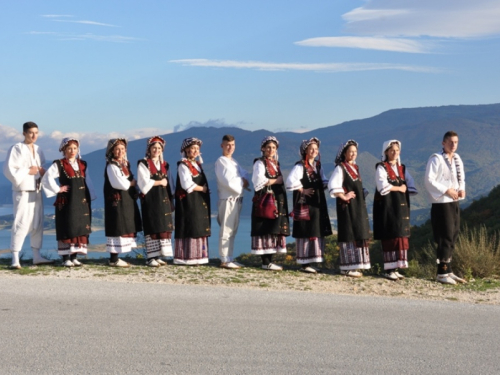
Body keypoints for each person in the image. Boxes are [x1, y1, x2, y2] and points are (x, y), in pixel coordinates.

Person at [3, 121, 54, 269]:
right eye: (31, 132)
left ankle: (36, 256)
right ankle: (15, 257)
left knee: (37, 223)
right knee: (21, 222)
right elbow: (8, 169)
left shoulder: (38, 150)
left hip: (37, 190)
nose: (34, 135)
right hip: (22, 191)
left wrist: (42, 171)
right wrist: (27, 171)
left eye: (36, 133)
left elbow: (41, 168)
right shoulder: (16, 148)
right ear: (24, 133)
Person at [42, 138, 97, 267]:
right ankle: (65, 257)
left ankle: (74, 257)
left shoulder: (83, 164)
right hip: (67, 201)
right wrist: (57, 189)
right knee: (67, 226)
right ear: (64, 150)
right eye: (69, 148)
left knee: (79, 227)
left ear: (78, 150)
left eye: (75, 148)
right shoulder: (59, 164)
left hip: (81, 200)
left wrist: (91, 196)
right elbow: (47, 177)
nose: (72, 151)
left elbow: (87, 181)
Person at [425, 131, 467, 285]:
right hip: (441, 202)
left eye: (456, 142)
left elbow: (461, 177)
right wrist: (446, 190)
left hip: (454, 201)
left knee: (454, 234)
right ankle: (441, 272)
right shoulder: (435, 159)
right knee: (445, 235)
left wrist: (461, 189)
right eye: (450, 142)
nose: (453, 145)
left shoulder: (457, 158)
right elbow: (429, 181)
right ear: (443, 143)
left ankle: (448, 269)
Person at [286, 137, 332, 273]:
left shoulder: (318, 166)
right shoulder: (300, 166)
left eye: (316, 149)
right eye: (311, 148)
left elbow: (323, 180)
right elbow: (290, 181)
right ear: (305, 150)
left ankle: (311, 261)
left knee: (315, 229)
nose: (314, 151)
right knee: (306, 230)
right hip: (305, 204)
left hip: (316, 203)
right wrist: (302, 189)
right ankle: (304, 263)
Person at [373, 140, 417, 280]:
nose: (394, 153)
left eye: (397, 150)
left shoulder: (402, 169)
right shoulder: (381, 167)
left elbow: (410, 183)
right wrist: (399, 188)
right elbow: (382, 186)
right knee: (390, 235)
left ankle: (396, 268)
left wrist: (404, 188)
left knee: (399, 235)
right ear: (385, 152)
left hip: (400, 207)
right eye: (391, 150)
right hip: (388, 207)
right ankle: (389, 269)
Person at [328, 140, 370, 277]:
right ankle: (347, 266)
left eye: (355, 152)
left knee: (358, 230)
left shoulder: (355, 168)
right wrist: (343, 196)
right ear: (344, 153)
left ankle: (355, 265)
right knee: (349, 232)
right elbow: (332, 184)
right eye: (350, 151)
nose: (353, 154)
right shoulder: (340, 168)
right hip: (347, 207)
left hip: (357, 207)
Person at [251, 136, 290, 271]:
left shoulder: (275, 163)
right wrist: (276, 181)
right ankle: (266, 262)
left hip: (276, 201)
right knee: (266, 227)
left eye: (273, 147)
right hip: (266, 201)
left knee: (273, 228)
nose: (271, 150)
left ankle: (269, 261)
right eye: (268, 147)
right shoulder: (259, 163)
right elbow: (258, 181)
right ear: (263, 148)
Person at [137, 136, 175, 267]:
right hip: (151, 199)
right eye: (154, 147)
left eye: (159, 148)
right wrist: (159, 182)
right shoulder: (143, 163)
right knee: (152, 225)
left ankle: (158, 255)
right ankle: (150, 257)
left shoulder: (165, 165)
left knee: (162, 225)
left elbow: (170, 183)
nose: (156, 150)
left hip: (163, 198)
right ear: (149, 148)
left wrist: (171, 199)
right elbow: (143, 184)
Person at [104, 138, 142, 267]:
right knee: (117, 226)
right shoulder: (111, 166)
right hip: (117, 201)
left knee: (125, 225)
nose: (120, 151)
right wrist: (132, 183)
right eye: (117, 149)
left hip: (126, 201)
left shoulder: (124, 165)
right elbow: (121, 184)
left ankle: (115, 258)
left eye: (122, 149)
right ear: (112, 151)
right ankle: (113, 259)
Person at [214, 134, 250, 269]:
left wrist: (241, 179)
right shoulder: (221, 161)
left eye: (233, 145)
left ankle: (229, 257)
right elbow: (228, 181)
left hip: (237, 199)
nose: (230, 147)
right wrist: (241, 180)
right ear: (222, 146)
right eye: (227, 145)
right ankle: (224, 258)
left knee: (232, 230)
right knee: (226, 230)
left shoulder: (234, 162)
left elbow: (245, 174)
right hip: (227, 199)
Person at [174, 138, 211, 265]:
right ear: (185, 150)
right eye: (192, 148)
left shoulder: (197, 165)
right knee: (191, 225)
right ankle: (187, 257)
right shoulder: (183, 165)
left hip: (198, 201)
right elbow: (186, 184)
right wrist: (203, 189)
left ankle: (198, 257)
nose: (195, 151)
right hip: (188, 202)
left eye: (197, 148)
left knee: (198, 226)